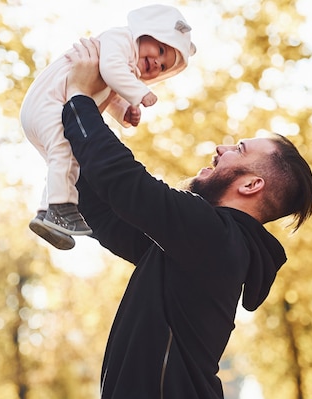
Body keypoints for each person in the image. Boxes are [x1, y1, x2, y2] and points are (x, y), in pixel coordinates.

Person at [61, 38, 312, 399]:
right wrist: (77, 127)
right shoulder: (198, 249)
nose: (222, 147)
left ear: (250, 185)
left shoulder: (218, 239)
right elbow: (110, 216)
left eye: (239, 150)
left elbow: (128, 185)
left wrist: (79, 99)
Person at [20, 4, 197, 250]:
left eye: (163, 66)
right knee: (64, 153)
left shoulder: (125, 68)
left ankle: (46, 213)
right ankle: (61, 208)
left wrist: (124, 110)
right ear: (146, 32)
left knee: (67, 160)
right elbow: (110, 69)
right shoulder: (121, 39)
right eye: (159, 49)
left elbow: (107, 92)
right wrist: (139, 93)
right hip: (48, 105)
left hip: (54, 110)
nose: (157, 63)